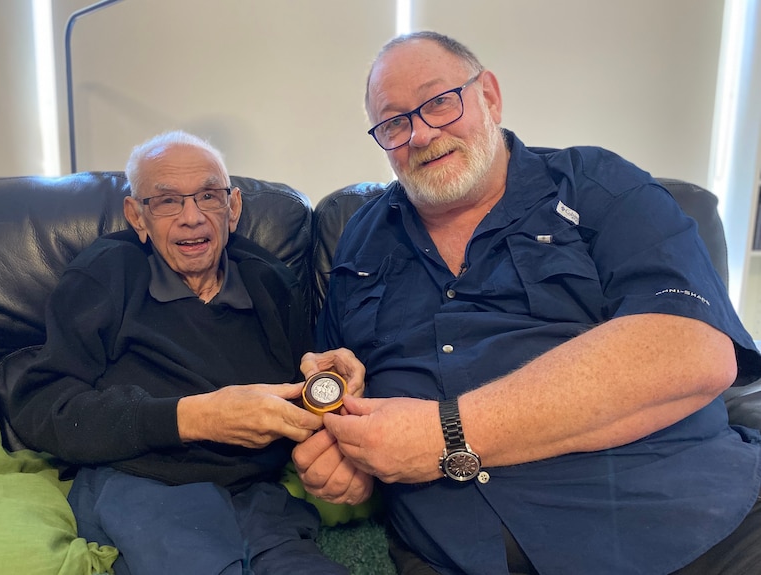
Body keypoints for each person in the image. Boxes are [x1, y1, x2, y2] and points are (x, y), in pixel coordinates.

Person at [293, 31, 761, 575]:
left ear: (488, 96)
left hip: (677, 526)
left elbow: (692, 349)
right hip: (456, 552)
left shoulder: (598, 186)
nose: (420, 134)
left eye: (439, 101)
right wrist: (341, 450)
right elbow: (334, 378)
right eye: (394, 122)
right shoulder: (360, 239)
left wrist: (445, 433)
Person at [6, 130, 356, 575]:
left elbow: (302, 387)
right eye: (168, 201)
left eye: (208, 196)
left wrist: (328, 386)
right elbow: (41, 406)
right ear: (137, 216)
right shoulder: (105, 276)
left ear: (232, 209)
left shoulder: (271, 282)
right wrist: (195, 417)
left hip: (254, 492)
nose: (192, 218)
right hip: (141, 484)